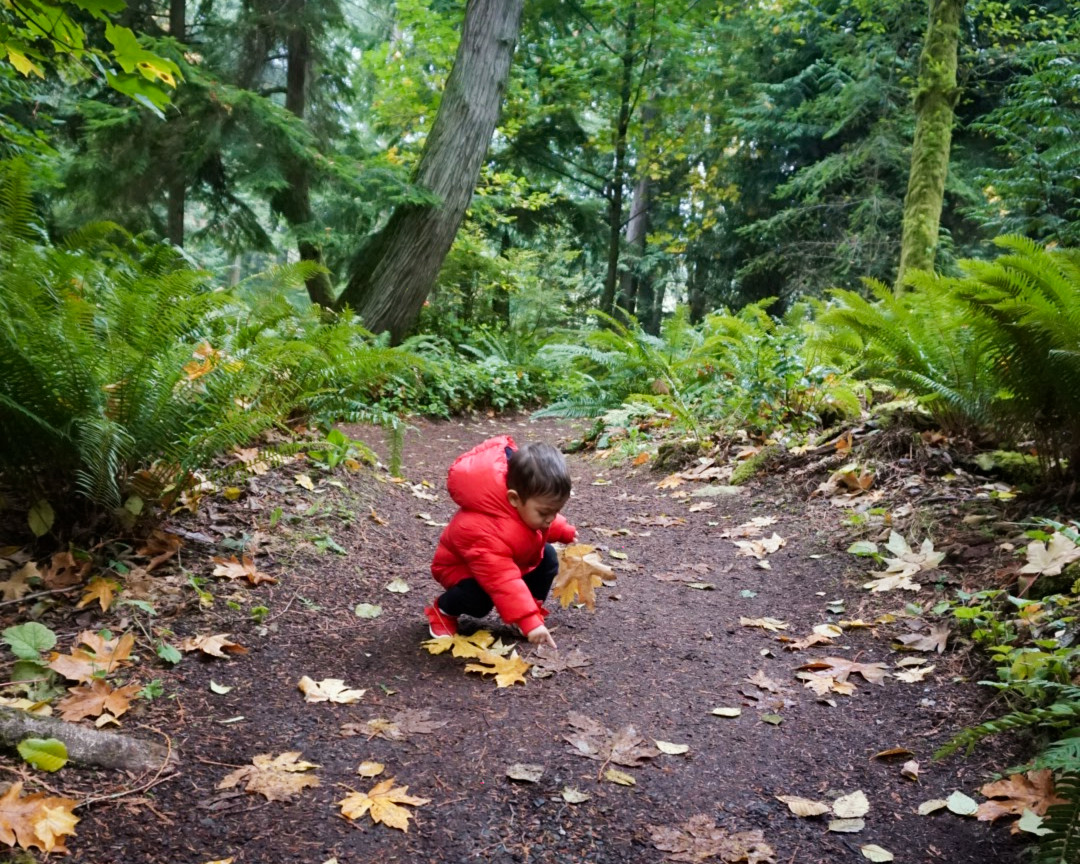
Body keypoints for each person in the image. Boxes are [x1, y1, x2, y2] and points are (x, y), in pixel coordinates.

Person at [425, 436, 576, 649]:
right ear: (514, 499)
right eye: (545, 512)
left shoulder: (526, 509)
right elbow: (501, 578)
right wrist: (528, 621)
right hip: (465, 570)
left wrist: (562, 530)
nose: (550, 518)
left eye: (556, 511)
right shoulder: (483, 529)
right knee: (479, 600)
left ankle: (529, 608)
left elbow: (534, 526)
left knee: (548, 557)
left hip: (508, 559)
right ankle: (443, 610)